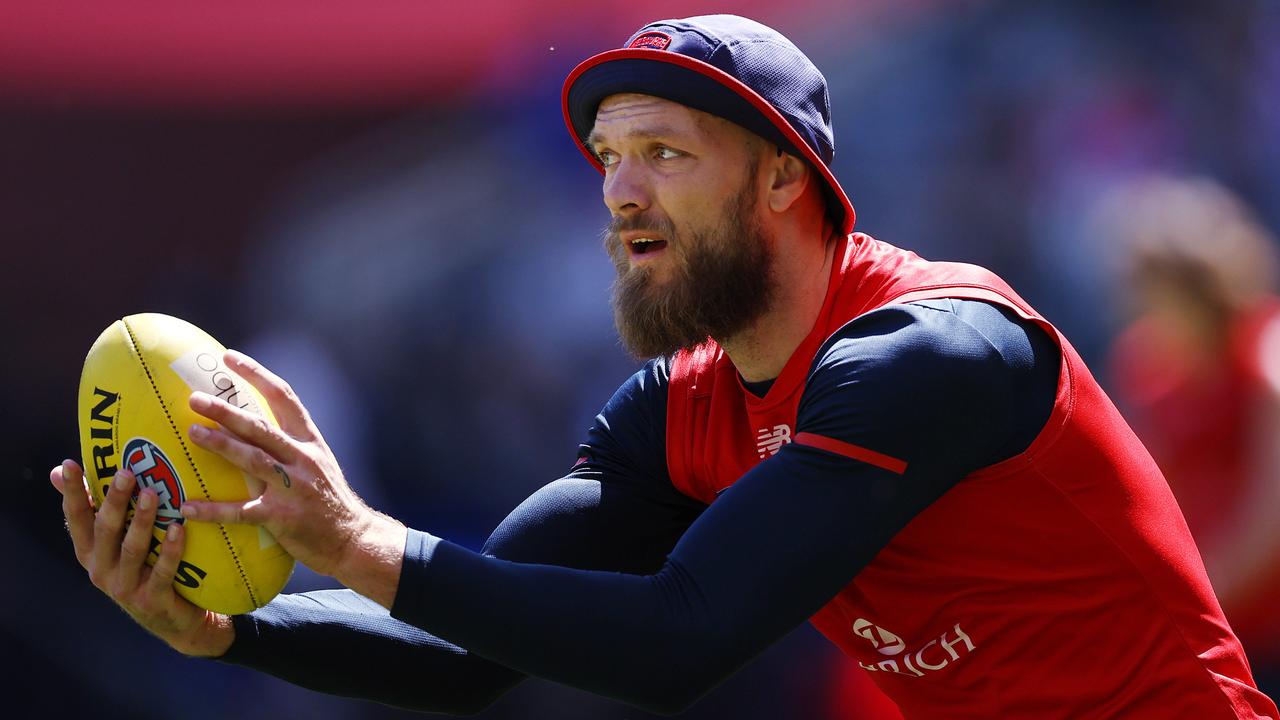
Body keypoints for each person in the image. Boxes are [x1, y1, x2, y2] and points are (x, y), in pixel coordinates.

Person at [51, 15, 1278, 718]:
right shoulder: (678, 408)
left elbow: (679, 638)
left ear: (784, 177)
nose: (621, 192)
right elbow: (472, 650)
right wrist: (225, 626)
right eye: (607, 157)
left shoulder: (931, 352)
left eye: (665, 154)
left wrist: (354, 539)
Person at [1103, 174, 1280, 695]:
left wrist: (1204, 590)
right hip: (1210, 624)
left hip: (1260, 617)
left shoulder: (1264, 352)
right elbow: (1144, 494)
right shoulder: (1146, 364)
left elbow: (1271, 511)